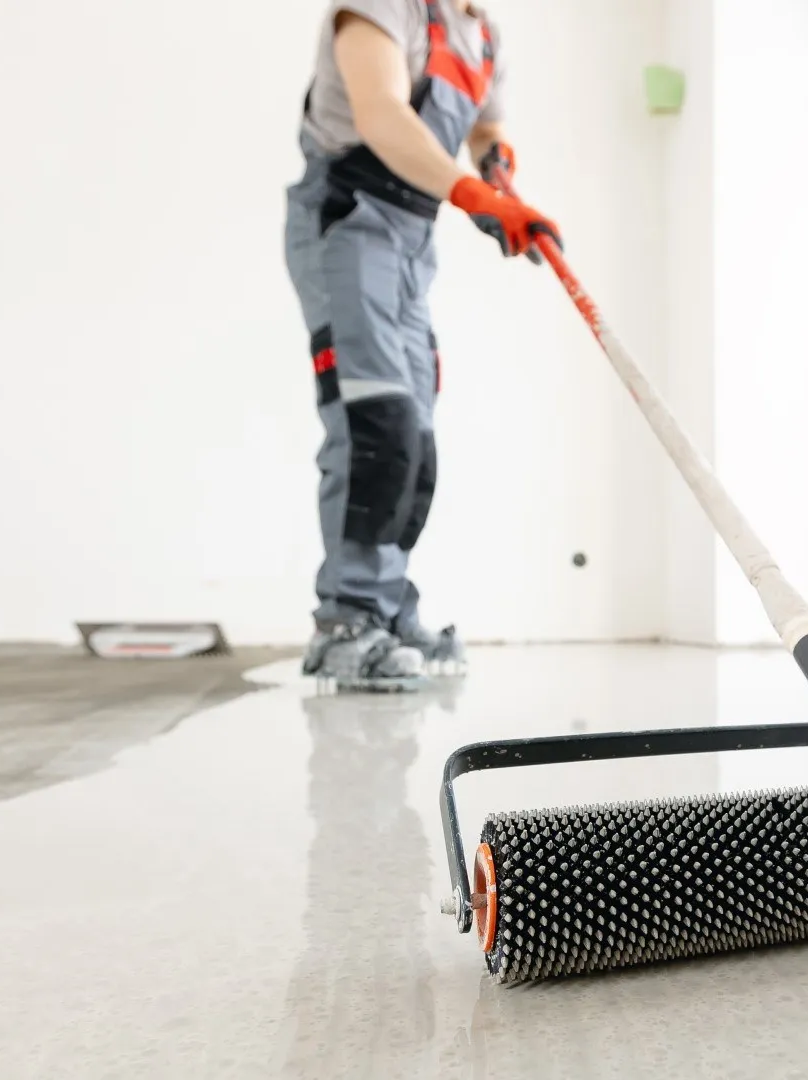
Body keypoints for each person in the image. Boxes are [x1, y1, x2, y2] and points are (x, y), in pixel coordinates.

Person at [284, 0, 560, 690]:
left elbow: (484, 124)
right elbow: (381, 116)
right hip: (347, 223)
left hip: (409, 245)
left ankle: (385, 605)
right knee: (375, 422)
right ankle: (347, 621)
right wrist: (475, 195)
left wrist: (495, 165)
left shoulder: (482, 33)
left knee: (415, 439)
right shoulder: (387, 8)